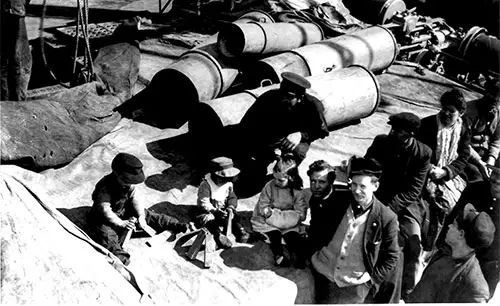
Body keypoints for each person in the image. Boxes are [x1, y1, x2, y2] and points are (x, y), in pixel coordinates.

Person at [310, 156, 400, 304]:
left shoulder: (386, 218)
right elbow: (316, 224)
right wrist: (313, 253)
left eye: (363, 186)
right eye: (354, 185)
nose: (356, 191)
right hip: (322, 270)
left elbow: (391, 256)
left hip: (353, 286)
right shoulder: (338, 199)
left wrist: (371, 279)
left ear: (375, 186)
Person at [365, 112, 432, 300]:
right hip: (378, 196)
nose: (392, 133)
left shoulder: (423, 153)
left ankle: (407, 291)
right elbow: (368, 168)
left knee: (413, 243)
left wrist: (389, 210)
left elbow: (414, 190)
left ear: (411, 135)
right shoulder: (381, 142)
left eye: (399, 132)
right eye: (392, 129)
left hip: (406, 205)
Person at [87, 152, 190, 265]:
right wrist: (121, 223)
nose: (128, 184)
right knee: (106, 235)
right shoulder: (104, 186)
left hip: (124, 211)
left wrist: (141, 216)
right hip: (103, 218)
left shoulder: (129, 186)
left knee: (150, 215)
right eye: (125, 181)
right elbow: (104, 209)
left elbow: (135, 199)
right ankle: (120, 256)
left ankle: (175, 224)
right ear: (116, 174)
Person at [416, 88, 481, 249]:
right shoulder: (427, 125)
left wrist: (446, 171)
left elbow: (463, 157)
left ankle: (442, 241)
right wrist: (432, 169)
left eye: (451, 111)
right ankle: (427, 243)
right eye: (444, 109)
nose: (446, 114)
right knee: (438, 203)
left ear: (460, 113)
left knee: (458, 203)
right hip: (427, 172)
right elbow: (419, 153)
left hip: (447, 173)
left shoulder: (463, 130)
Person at [235, 71, 329, 175]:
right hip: (271, 135)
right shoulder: (269, 97)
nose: (284, 99)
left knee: (285, 171)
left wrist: (300, 135)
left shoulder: (313, 106)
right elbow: (247, 123)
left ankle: (288, 173)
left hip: (295, 142)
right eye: (282, 94)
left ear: (300, 98)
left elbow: (321, 131)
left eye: (289, 97)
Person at [408, 203, 495, 303]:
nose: (449, 226)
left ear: (461, 234)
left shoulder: (476, 288)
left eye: (454, 224)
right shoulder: (443, 254)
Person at [251, 155, 308, 268]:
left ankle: (298, 255)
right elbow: (263, 204)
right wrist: (268, 212)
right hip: (270, 219)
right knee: (275, 234)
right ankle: (278, 255)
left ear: (291, 177)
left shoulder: (297, 192)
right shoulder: (270, 186)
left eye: (281, 180)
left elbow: (301, 213)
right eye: (275, 178)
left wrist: (288, 218)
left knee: (292, 236)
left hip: (288, 221)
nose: (276, 182)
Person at [196, 156, 249, 249]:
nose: (224, 180)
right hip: (210, 211)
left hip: (223, 210)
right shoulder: (206, 185)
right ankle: (218, 235)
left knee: (234, 216)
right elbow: (203, 203)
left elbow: (232, 197)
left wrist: (230, 207)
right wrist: (215, 211)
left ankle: (240, 231)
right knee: (207, 218)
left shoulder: (228, 184)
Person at [306, 159, 346, 257]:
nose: (316, 186)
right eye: (313, 181)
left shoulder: (345, 199)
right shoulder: (314, 199)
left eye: (322, 182)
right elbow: (315, 225)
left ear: (331, 182)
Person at [464, 79, 500, 179]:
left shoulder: (498, 112)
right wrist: (479, 162)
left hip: (486, 157)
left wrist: (491, 159)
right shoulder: (469, 110)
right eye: (492, 95)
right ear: (485, 92)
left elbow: (497, 140)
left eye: (499, 98)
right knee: (478, 178)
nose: (495, 99)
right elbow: (463, 143)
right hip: (467, 156)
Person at [1, 0, 32, 101]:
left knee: (5, 62)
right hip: (12, 10)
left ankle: (5, 103)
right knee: (20, 63)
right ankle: (18, 105)